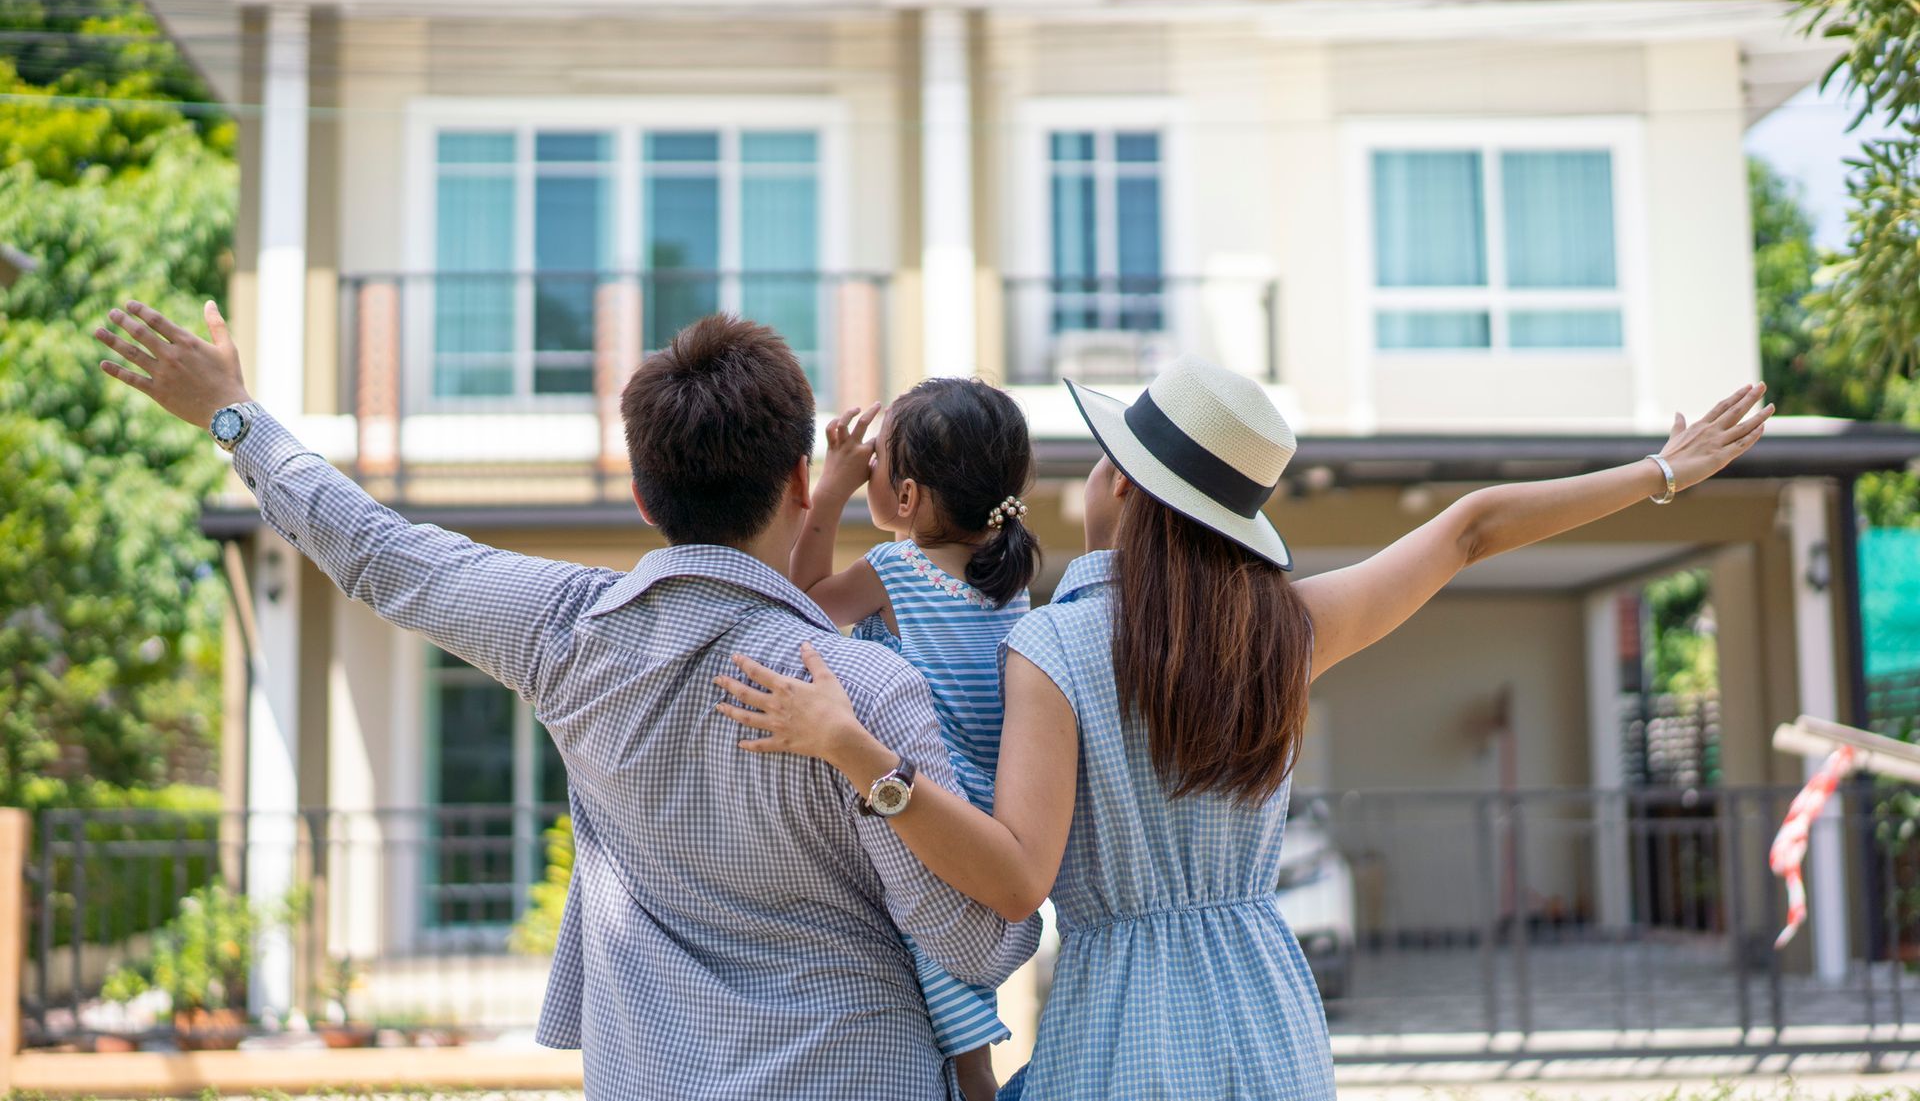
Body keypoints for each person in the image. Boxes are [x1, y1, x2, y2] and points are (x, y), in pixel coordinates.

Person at [717, 355, 1773, 1099]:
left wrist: (856, 751)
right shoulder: (1286, 630)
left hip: (1122, 1029)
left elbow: (1014, 880)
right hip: (1272, 1014)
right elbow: (1469, 530)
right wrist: (1661, 474)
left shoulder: (1051, 649)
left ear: (1122, 489)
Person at [93, 299, 1040, 1101]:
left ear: (639, 493)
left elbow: (380, 553)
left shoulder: (568, 632)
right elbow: (975, 941)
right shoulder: (868, 688)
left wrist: (233, 417)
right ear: (801, 480)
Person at [789, 379, 1042, 1101]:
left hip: (932, 789)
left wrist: (828, 491)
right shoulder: (1010, 575)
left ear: (906, 498)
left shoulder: (899, 570)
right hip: (998, 802)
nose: (861, 467)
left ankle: (975, 1078)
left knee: (922, 935)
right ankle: (974, 1074)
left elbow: (800, 605)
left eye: (872, 464)